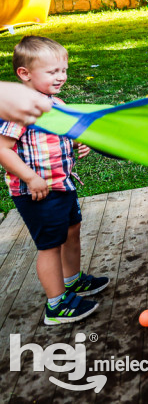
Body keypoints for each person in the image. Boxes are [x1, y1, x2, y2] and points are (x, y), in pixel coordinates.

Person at [0, 37, 109, 325]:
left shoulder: (56, 102)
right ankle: (56, 305)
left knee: (72, 230)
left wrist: (76, 146)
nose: (61, 76)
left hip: (61, 184)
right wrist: (30, 177)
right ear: (25, 74)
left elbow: (58, 136)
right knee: (49, 245)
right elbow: (2, 149)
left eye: (63, 70)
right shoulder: (20, 108)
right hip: (36, 191)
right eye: (52, 72)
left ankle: (71, 281)